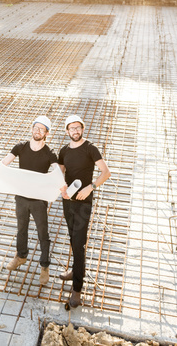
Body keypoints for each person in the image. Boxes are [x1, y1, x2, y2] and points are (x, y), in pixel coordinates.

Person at [0, 114, 57, 285]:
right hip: (21, 196)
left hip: (38, 200)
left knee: (42, 233)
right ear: (32, 129)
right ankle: (21, 256)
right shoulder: (21, 147)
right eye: (35, 127)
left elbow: (58, 171)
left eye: (42, 129)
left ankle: (45, 266)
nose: (37, 131)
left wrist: (59, 181)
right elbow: (3, 164)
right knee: (21, 228)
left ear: (46, 133)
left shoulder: (50, 153)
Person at [57, 114, 111, 309]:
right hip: (68, 201)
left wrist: (91, 187)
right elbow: (59, 173)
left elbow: (106, 172)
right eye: (71, 128)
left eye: (78, 127)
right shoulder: (63, 151)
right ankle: (75, 269)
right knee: (72, 238)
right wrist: (61, 188)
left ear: (82, 129)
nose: (75, 131)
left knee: (79, 244)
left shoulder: (90, 148)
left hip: (84, 203)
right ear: (67, 131)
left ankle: (77, 289)